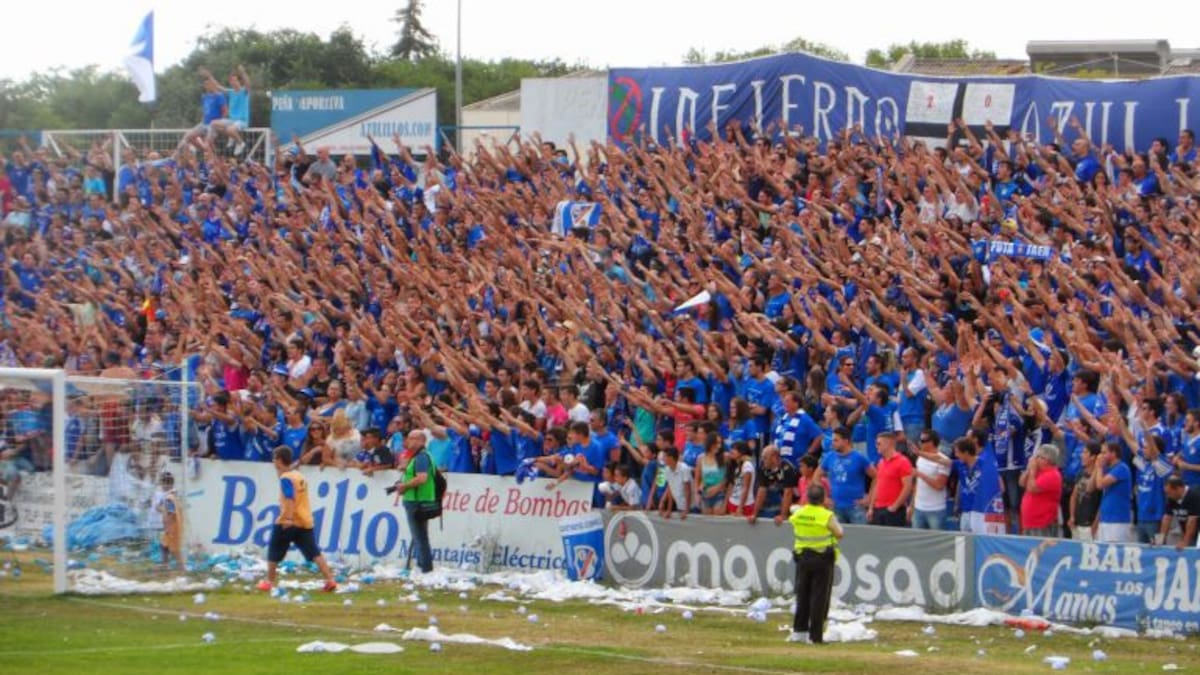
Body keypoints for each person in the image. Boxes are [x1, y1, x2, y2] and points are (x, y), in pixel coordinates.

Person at [257, 446, 336, 592]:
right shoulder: (298, 475)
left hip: (290, 520)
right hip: (305, 520)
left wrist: (287, 518)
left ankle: (269, 581)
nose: (273, 462)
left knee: (274, 551)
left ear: (280, 460)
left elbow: (289, 498)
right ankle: (330, 580)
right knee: (314, 552)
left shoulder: (286, 478)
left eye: (274, 458)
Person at [787, 484, 843, 645]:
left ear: (808, 497)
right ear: (823, 499)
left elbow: (793, 512)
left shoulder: (799, 513)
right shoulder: (826, 515)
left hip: (802, 557)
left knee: (803, 594)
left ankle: (799, 631)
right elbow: (839, 533)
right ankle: (815, 636)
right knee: (819, 597)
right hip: (822, 558)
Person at [395, 430, 437, 574]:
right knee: (420, 536)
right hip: (418, 499)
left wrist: (404, 486)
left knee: (419, 537)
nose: (409, 441)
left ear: (421, 441)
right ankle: (423, 566)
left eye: (413, 438)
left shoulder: (421, 457)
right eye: (409, 438)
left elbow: (422, 478)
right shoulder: (417, 457)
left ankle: (425, 569)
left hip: (417, 500)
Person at [866, 431, 912, 527]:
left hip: (893, 510)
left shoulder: (903, 462)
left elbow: (907, 486)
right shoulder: (881, 462)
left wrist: (895, 506)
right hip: (879, 508)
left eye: (879, 443)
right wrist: (871, 507)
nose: (876, 446)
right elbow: (877, 485)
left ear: (888, 444)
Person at [1092, 441, 1133, 543]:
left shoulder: (1121, 468)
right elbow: (1090, 487)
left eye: (1104, 453)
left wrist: (1100, 467)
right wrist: (1097, 468)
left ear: (1113, 453)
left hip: (1117, 520)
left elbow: (1100, 485)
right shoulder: (1107, 469)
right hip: (1105, 518)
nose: (1101, 456)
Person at [1019, 444, 1063, 537]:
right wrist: (1029, 469)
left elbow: (1032, 488)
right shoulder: (1037, 472)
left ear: (1046, 460)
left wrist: (1032, 471)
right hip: (1029, 522)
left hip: (1041, 523)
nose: (1035, 459)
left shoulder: (1052, 475)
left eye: (1038, 456)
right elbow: (1021, 483)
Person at [910, 430, 951, 530]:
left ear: (932, 442)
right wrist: (912, 505)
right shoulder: (920, 458)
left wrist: (920, 474)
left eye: (923, 440)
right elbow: (917, 484)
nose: (920, 443)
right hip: (918, 508)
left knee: (938, 544)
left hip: (936, 509)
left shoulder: (942, 460)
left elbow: (939, 486)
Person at [750, 445, 797, 524]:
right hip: (776, 496)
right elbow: (761, 491)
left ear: (774, 458)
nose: (763, 460)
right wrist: (754, 514)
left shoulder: (787, 468)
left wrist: (783, 515)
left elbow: (788, 493)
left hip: (793, 500)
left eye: (765, 458)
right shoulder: (763, 467)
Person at [1160, 476, 1200, 549]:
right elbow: (1167, 518)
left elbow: (1192, 521)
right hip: (1190, 533)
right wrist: (1160, 539)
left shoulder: (1195, 495)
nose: (1167, 496)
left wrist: (1185, 542)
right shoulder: (1172, 498)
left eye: (1169, 493)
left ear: (1179, 489)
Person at [156, 471, 185, 570]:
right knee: (164, 545)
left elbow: (171, 513)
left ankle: (181, 568)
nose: (161, 486)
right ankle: (165, 565)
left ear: (165, 484)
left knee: (174, 549)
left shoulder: (169, 498)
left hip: (172, 527)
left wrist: (168, 528)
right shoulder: (173, 495)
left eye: (163, 483)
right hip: (172, 526)